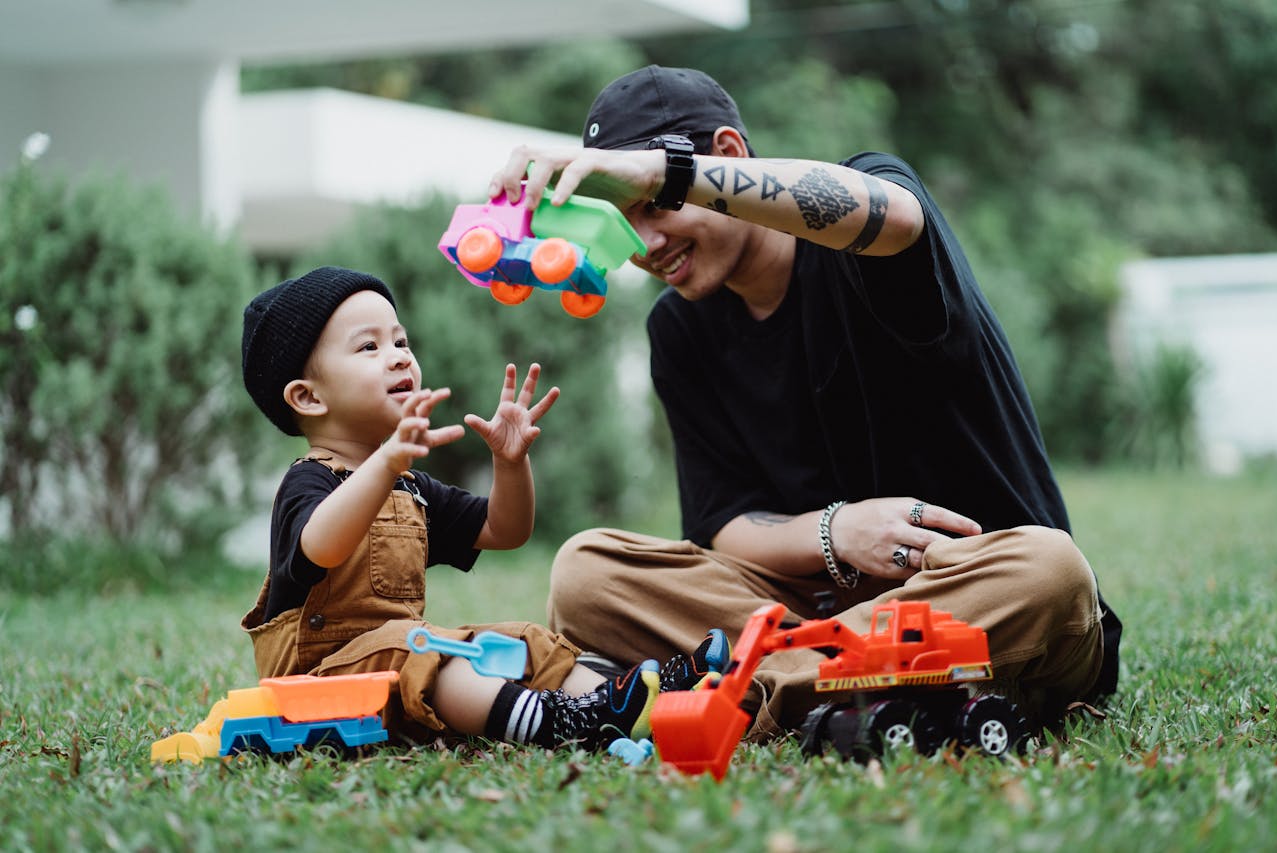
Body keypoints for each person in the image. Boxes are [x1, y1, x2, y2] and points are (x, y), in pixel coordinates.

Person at [487, 66, 1122, 738]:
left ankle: (747, 688)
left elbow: (895, 215)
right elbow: (722, 522)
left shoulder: (860, 224)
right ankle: (849, 686)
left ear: (727, 156)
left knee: (1051, 572)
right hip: (809, 610)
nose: (645, 247)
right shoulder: (678, 328)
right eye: (623, 220)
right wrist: (838, 529)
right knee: (587, 573)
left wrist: (662, 170)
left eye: (654, 206)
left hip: (967, 581)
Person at [238, 265, 726, 751]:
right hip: (320, 678)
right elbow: (321, 547)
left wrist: (510, 464)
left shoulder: (408, 487)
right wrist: (386, 462)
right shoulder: (308, 481)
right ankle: (559, 723)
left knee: (518, 641)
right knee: (428, 653)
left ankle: (629, 704)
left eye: (401, 343)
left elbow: (503, 528)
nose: (398, 358)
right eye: (369, 347)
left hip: (402, 656)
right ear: (308, 396)